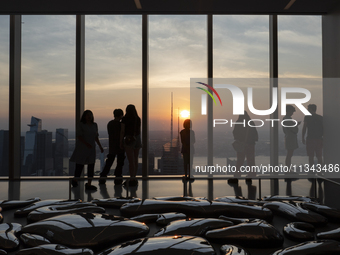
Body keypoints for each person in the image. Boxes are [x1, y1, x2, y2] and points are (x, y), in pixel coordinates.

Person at [70, 110, 104, 190]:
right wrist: (86, 144)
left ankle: (89, 184)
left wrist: (100, 146)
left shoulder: (95, 125)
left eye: (90, 115)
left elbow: (96, 137)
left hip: (91, 148)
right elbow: (79, 136)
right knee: (79, 165)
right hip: (82, 148)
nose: (89, 116)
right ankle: (75, 180)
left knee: (91, 166)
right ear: (84, 116)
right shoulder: (81, 125)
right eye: (88, 115)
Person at [230, 111, 258, 184]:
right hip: (250, 145)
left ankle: (237, 175)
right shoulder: (250, 123)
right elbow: (255, 135)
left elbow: (235, 133)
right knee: (251, 161)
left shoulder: (238, 123)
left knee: (240, 160)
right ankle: (250, 175)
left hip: (241, 145)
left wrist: (240, 140)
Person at [99, 109, 125, 185]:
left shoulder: (110, 123)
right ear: (121, 115)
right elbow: (122, 134)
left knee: (109, 162)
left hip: (112, 145)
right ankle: (118, 178)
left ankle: (103, 177)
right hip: (120, 146)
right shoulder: (121, 124)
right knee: (120, 163)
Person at [120, 104, 142, 186]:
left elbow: (122, 131)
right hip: (137, 139)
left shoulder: (125, 119)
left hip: (129, 140)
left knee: (131, 161)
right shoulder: (138, 119)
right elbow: (138, 131)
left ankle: (131, 178)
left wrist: (121, 142)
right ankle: (134, 177)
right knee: (135, 160)